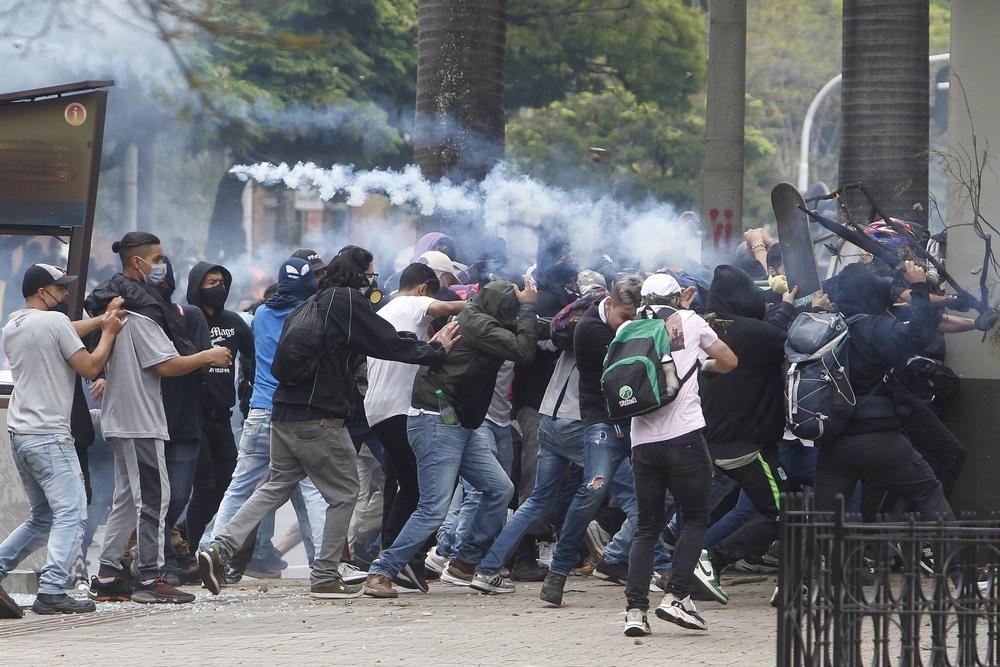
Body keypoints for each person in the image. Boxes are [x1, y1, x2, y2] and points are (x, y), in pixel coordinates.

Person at [199, 248, 459, 600]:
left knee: (275, 485)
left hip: (283, 412)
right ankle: (324, 576)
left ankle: (220, 549)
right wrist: (435, 351)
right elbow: (385, 341)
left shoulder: (311, 303)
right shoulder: (346, 303)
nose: (373, 284)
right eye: (369, 276)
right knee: (346, 492)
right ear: (357, 275)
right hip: (317, 416)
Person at [364, 277, 539, 598]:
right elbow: (523, 350)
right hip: (436, 420)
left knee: (499, 489)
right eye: (512, 313)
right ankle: (382, 570)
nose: (515, 319)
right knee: (433, 507)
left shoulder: (478, 318)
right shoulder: (480, 325)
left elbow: (523, 338)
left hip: (456, 420)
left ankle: (465, 562)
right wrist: (528, 307)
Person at [86, 232, 232, 604]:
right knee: (154, 497)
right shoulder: (141, 314)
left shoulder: (120, 311)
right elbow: (165, 365)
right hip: (138, 419)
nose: (162, 266)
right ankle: (150, 578)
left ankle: (106, 574)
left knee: (126, 499)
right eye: (158, 258)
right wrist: (208, 356)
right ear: (138, 263)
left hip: (126, 416)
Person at [0, 264, 125, 617]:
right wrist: (110, 332)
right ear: (43, 292)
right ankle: (53, 588)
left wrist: (101, 320)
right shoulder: (53, 323)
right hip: (49, 436)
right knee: (73, 513)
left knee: (42, 518)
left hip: (21, 434)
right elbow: (89, 367)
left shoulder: (14, 324)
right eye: (60, 288)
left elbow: (65, 329)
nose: (66, 294)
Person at [199, 257, 334, 582]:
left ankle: (211, 547)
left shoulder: (260, 314)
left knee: (241, 484)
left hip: (260, 410)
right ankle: (325, 566)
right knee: (313, 487)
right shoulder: (311, 314)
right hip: (296, 411)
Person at [539, 276, 671, 607]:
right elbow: (622, 374)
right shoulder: (589, 330)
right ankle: (558, 571)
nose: (628, 325)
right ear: (609, 304)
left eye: (634, 318)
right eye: (624, 318)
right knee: (591, 492)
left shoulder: (629, 324)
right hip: (602, 423)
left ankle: (662, 567)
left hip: (634, 423)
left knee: (648, 501)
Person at [623, 274, 738, 637]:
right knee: (695, 518)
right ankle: (675, 596)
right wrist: (700, 366)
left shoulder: (628, 327)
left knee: (646, 525)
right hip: (684, 437)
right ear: (679, 297)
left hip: (641, 441)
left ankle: (634, 611)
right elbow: (729, 360)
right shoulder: (689, 321)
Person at [814, 261, 953, 519]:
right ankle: (954, 561)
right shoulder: (871, 327)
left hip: (831, 441)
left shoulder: (821, 328)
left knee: (826, 520)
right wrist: (919, 286)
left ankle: (827, 560)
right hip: (878, 438)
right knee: (929, 492)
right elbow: (918, 335)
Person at [364, 262, 465, 587]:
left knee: (403, 481)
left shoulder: (387, 310)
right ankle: (397, 558)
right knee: (422, 489)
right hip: (399, 408)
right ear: (423, 288)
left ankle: (394, 555)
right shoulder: (413, 302)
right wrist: (483, 301)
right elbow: (447, 306)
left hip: (377, 408)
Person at [697, 265, 796, 584]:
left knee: (774, 502)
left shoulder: (706, 328)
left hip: (717, 441)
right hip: (745, 445)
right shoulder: (752, 333)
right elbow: (788, 340)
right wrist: (791, 308)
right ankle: (712, 559)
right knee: (785, 511)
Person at [184, 261, 255, 555]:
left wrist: (247, 396)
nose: (218, 288)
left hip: (222, 417)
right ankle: (186, 549)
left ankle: (204, 548)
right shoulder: (186, 319)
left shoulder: (234, 322)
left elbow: (253, 360)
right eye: (211, 282)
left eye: (221, 282)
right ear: (196, 286)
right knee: (205, 487)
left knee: (228, 486)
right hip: (193, 416)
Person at [154, 259, 212, 585]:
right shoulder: (136, 320)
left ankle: (164, 551)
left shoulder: (189, 316)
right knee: (155, 497)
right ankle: (163, 564)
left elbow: (200, 362)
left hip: (185, 421)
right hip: (148, 421)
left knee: (178, 496)